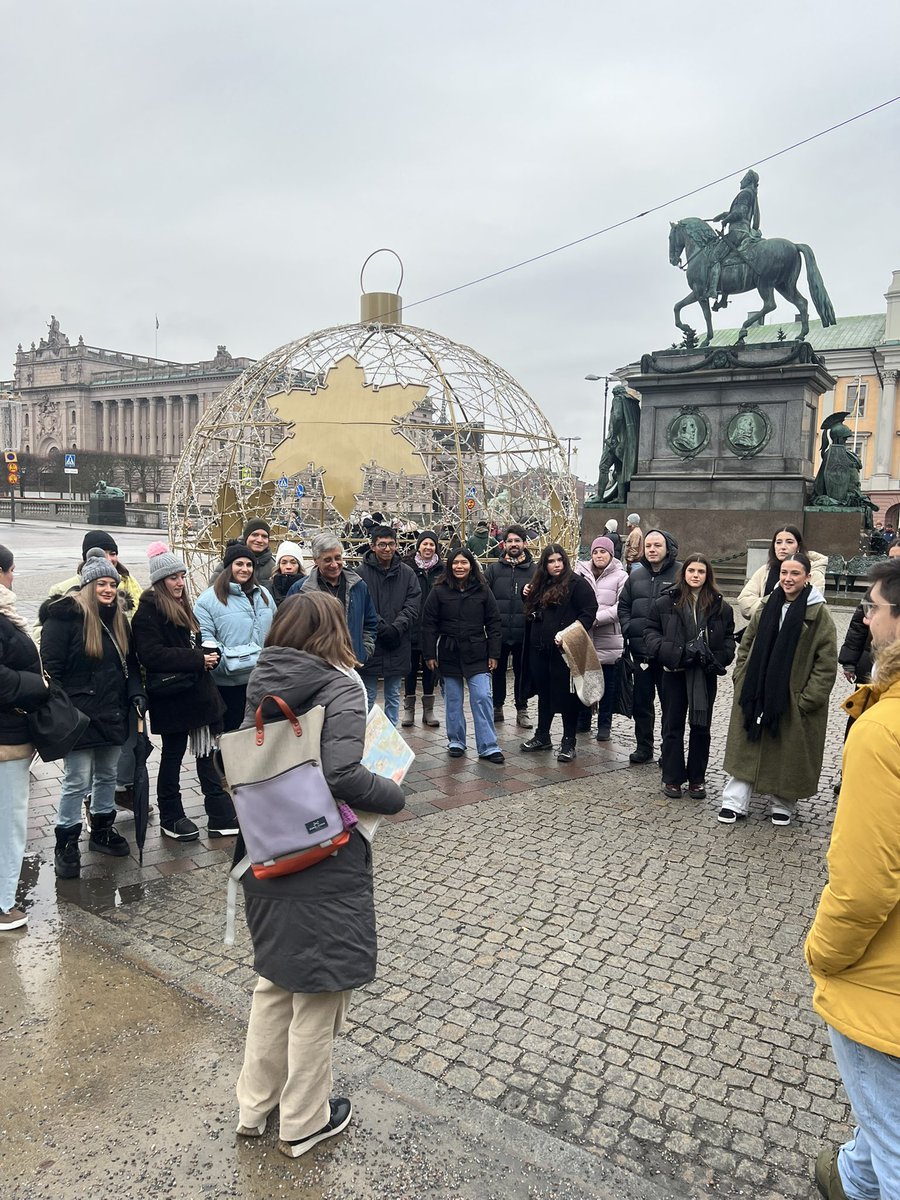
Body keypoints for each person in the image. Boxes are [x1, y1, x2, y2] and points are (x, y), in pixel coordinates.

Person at [235, 590, 405, 1159]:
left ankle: (254, 1107)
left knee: (275, 983)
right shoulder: (340, 685)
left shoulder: (262, 682)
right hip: (321, 856)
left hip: (264, 850)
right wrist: (392, 794)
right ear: (334, 632)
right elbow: (342, 774)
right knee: (319, 991)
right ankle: (304, 1120)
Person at [805, 559, 900, 1200]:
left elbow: (865, 886)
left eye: (872, 607)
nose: (863, 617)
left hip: (883, 981)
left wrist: (824, 952)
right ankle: (849, 1176)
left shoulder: (881, 731)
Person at [40, 553, 146, 878]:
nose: (108, 589)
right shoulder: (63, 619)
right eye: (101, 583)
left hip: (113, 710)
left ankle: (102, 829)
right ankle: (66, 841)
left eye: (113, 583)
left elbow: (130, 665)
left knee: (108, 775)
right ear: (87, 585)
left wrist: (137, 694)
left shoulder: (118, 619)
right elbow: (51, 671)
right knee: (76, 779)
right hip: (79, 717)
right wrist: (66, 711)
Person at [719, 551, 836, 825]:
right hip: (756, 689)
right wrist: (741, 676)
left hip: (792, 695)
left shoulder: (819, 614)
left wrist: (808, 699)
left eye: (795, 573)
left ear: (807, 577)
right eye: (784, 572)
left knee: (787, 751)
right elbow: (747, 643)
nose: (788, 578)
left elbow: (826, 662)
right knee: (747, 745)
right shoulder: (766, 605)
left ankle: (783, 802)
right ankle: (735, 801)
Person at [132, 544, 238, 841]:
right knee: (173, 755)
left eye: (181, 576)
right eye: (173, 578)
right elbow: (151, 655)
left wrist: (208, 653)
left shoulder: (183, 605)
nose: (180, 582)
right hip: (173, 696)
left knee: (207, 753)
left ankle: (219, 814)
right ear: (160, 581)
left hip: (198, 693)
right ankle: (171, 816)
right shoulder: (148, 611)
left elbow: (192, 641)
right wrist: (197, 659)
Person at [643, 556, 735, 800]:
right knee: (672, 726)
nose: (695, 575)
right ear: (684, 573)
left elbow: (728, 639)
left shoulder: (720, 606)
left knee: (701, 728)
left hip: (703, 675)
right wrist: (675, 653)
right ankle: (672, 778)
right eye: (691, 570)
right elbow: (650, 633)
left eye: (701, 571)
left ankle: (697, 778)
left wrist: (717, 657)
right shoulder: (666, 602)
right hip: (674, 672)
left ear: (707, 575)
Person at [0, 546, 47, 930]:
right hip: (6, 737)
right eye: (12, 570)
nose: (14, 577)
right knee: (10, 821)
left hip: (9, 733)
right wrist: (38, 685)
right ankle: (3, 904)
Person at [421, 548, 504, 763]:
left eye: (464, 562)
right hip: (448, 652)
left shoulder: (483, 589)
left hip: (477, 651)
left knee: (482, 696)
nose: (459, 567)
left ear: (471, 565)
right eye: (456, 563)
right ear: (450, 566)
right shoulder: (439, 590)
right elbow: (428, 624)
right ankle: (456, 740)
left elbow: (494, 622)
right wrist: (429, 654)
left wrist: (494, 653)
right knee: (453, 699)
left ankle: (488, 745)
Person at [520, 544, 596, 763]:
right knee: (544, 693)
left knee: (567, 697)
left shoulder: (577, 584)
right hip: (540, 650)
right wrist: (525, 594)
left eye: (559, 560)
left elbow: (589, 611)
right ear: (544, 564)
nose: (556, 565)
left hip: (565, 651)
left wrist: (569, 633)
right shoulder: (540, 583)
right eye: (551, 561)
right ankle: (542, 735)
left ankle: (568, 741)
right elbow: (531, 609)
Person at [195, 542, 274, 735]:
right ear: (229, 566)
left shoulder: (264, 595)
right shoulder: (207, 601)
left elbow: (277, 630)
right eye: (239, 564)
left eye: (249, 565)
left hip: (262, 681)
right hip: (228, 685)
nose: (245, 569)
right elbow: (207, 642)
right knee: (232, 738)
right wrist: (233, 663)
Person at [618, 530, 682, 764]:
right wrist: (629, 628)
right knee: (642, 703)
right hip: (640, 652)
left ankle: (668, 750)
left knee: (669, 705)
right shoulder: (636, 575)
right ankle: (644, 747)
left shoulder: (680, 573)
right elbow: (623, 606)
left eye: (657, 545)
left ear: (668, 548)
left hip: (667, 654)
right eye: (649, 545)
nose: (652, 549)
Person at [357, 526, 421, 728]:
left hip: (398, 640)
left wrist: (397, 627)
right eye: (382, 544)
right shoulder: (360, 573)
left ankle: (392, 736)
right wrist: (380, 627)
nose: (387, 549)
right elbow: (360, 605)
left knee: (393, 694)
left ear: (396, 545)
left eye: (391, 544)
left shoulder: (407, 573)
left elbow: (413, 603)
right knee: (368, 695)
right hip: (370, 641)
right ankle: (366, 735)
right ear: (372, 546)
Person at [287, 533, 378, 667]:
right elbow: (290, 630)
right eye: (328, 560)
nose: (334, 565)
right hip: (314, 667)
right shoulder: (300, 590)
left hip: (351, 664)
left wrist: (363, 652)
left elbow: (370, 623)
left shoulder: (359, 586)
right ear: (316, 560)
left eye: (338, 558)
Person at [574, 536, 627, 741]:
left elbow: (621, 606)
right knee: (585, 680)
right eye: (595, 552)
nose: (598, 555)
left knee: (608, 684)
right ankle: (583, 720)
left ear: (611, 554)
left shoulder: (621, 576)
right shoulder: (581, 573)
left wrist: (595, 618)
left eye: (603, 552)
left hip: (609, 638)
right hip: (585, 637)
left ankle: (604, 725)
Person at [735, 525, 828, 636]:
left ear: (798, 546)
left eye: (789, 542)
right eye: (778, 542)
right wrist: (771, 607)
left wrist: (777, 607)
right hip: (765, 633)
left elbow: (811, 608)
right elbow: (745, 601)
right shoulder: (765, 570)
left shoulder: (813, 573)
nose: (783, 547)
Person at [485, 524, 534, 729]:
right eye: (510, 541)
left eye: (517, 541)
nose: (513, 544)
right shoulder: (494, 570)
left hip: (524, 630)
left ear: (524, 544)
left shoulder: (534, 570)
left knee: (522, 672)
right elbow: (484, 597)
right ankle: (497, 707)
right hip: (500, 630)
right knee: (497, 671)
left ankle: (522, 709)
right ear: (504, 544)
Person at [47, 529, 143, 615]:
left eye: (112, 554)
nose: (108, 559)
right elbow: (44, 626)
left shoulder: (129, 581)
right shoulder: (61, 589)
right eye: (102, 554)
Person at [401, 530, 443, 728]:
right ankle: (409, 709)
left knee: (430, 667)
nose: (428, 547)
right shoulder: (407, 568)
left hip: (432, 627)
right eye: (425, 544)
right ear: (418, 546)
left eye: (432, 544)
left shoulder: (441, 569)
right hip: (411, 625)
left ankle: (428, 709)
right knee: (409, 668)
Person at [210, 520, 275, 592]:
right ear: (246, 537)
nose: (260, 540)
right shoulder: (230, 561)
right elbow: (212, 593)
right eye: (255, 535)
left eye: (264, 536)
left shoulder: (273, 566)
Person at [270, 541, 305, 608]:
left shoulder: (307, 587)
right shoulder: (268, 589)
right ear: (278, 565)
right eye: (284, 563)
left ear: (299, 565)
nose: (288, 567)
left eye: (293, 562)